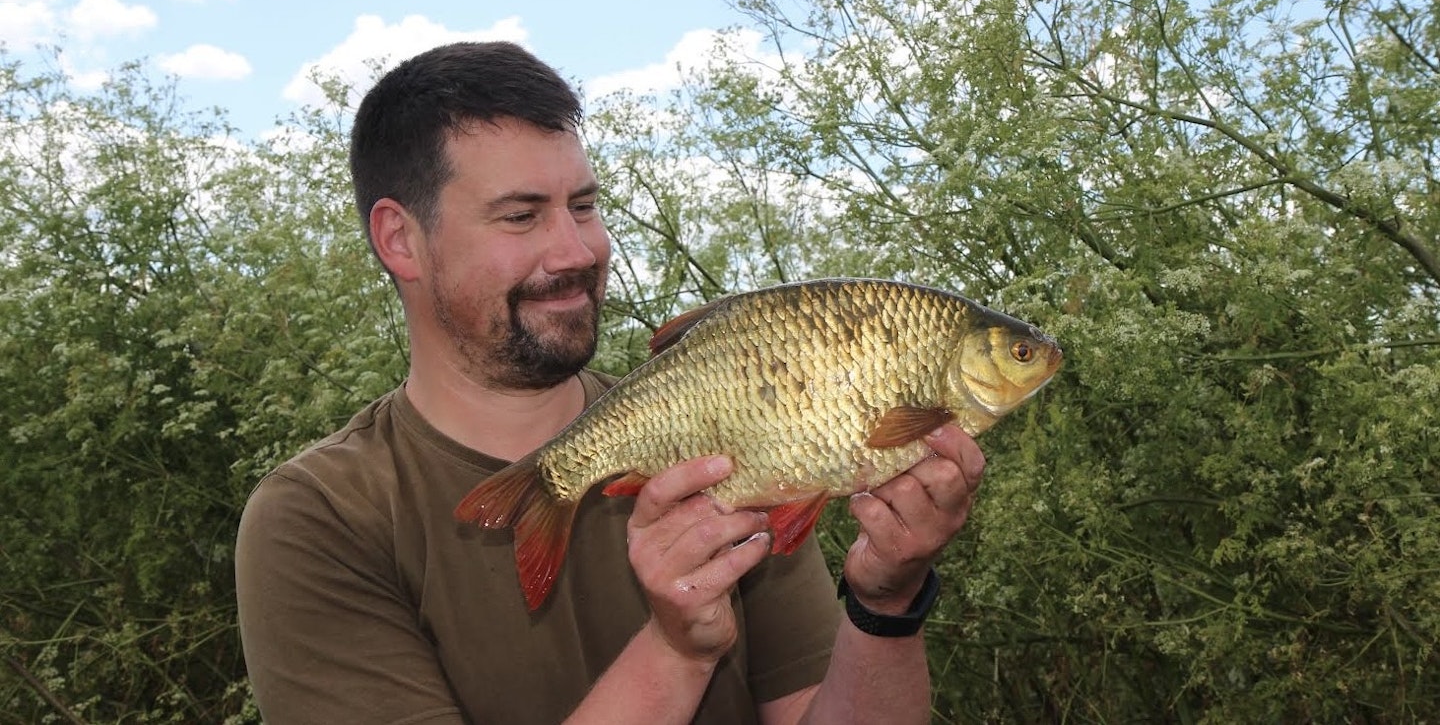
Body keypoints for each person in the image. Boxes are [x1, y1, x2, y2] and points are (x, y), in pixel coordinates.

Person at [234, 40, 987, 724]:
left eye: (585, 207)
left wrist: (884, 602)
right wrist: (676, 651)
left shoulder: (729, 435)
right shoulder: (320, 519)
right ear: (402, 239)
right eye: (522, 216)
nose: (577, 250)